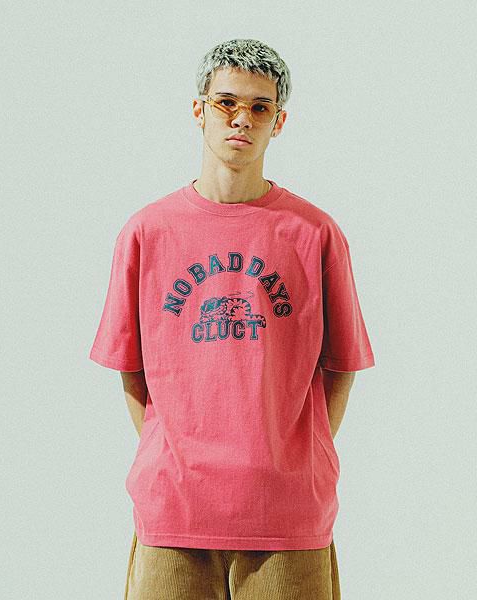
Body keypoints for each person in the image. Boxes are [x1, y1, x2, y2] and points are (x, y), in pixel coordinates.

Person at [89, 38, 375, 600]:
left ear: (279, 122)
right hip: (173, 514)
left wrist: (292, 457)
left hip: (288, 518)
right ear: (199, 110)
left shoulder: (314, 234)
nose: (242, 118)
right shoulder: (147, 232)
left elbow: (341, 365)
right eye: (226, 102)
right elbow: (131, 367)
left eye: (260, 107)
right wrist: (176, 451)